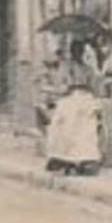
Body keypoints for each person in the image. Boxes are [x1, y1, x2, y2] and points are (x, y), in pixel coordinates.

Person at [44, 39, 104, 176]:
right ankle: (62, 156)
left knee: (88, 121)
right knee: (61, 120)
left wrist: (92, 81)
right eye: (75, 51)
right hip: (70, 97)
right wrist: (68, 83)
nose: (78, 53)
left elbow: (94, 86)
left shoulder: (87, 68)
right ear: (71, 52)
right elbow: (60, 86)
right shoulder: (65, 68)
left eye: (80, 51)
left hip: (85, 97)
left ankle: (86, 157)